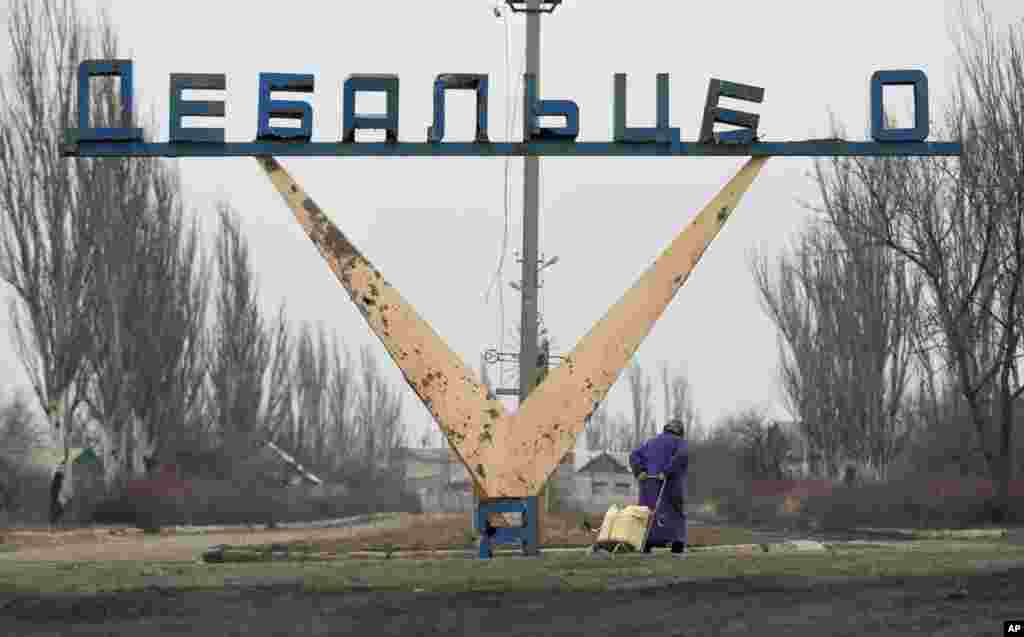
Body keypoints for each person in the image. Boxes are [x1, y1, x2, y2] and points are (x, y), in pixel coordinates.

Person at [629, 418, 689, 555]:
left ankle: (646, 543)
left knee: (648, 512)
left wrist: (640, 471)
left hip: (648, 485)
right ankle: (677, 543)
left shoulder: (651, 442)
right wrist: (666, 472)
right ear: (680, 431)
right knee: (675, 511)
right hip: (670, 484)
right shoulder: (680, 442)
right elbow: (681, 458)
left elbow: (634, 455)